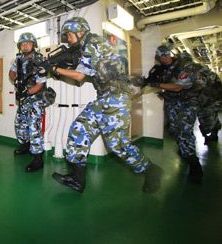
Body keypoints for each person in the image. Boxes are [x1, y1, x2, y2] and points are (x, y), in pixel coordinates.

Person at [42, 17, 162, 194]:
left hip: (116, 98)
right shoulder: (85, 47)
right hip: (104, 98)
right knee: (79, 130)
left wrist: (53, 69)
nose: (68, 38)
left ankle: (151, 170)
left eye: (69, 34)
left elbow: (80, 76)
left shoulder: (95, 43)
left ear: (80, 31)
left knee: (117, 144)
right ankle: (77, 178)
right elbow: (82, 69)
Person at [144, 44, 203, 182]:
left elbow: (177, 87)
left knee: (184, 132)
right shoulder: (164, 70)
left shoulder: (184, 67)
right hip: (172, 104)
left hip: (187, 104)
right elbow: (156, 80)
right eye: (161, 56)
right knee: (175, 130)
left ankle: (195, 166)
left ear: (172, 54)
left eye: (166, 55)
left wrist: (156, 85)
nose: (164, 58)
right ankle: (185, 151)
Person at [9, 32, 48, 172]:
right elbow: (11, 72)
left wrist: (27, 92)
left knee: (34, 126)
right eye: (22, 44)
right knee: (19, 123)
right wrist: (15, 79)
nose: (25, 46)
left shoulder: (39, 60)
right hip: (24, 99)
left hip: (36, 99)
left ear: (34, 45)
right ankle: (26, 145)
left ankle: (38, 158)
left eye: (28, 43)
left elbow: (40, 84)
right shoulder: (19, 59)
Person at [178, 52, 221, 144]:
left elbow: (200, 86)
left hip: (207, 100)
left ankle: (210, 136)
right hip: (214, 98)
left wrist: (188, 94)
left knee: (206, 120)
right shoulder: (202, 69)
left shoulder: (194, 70)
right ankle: (213, 135)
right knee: (213, 117)